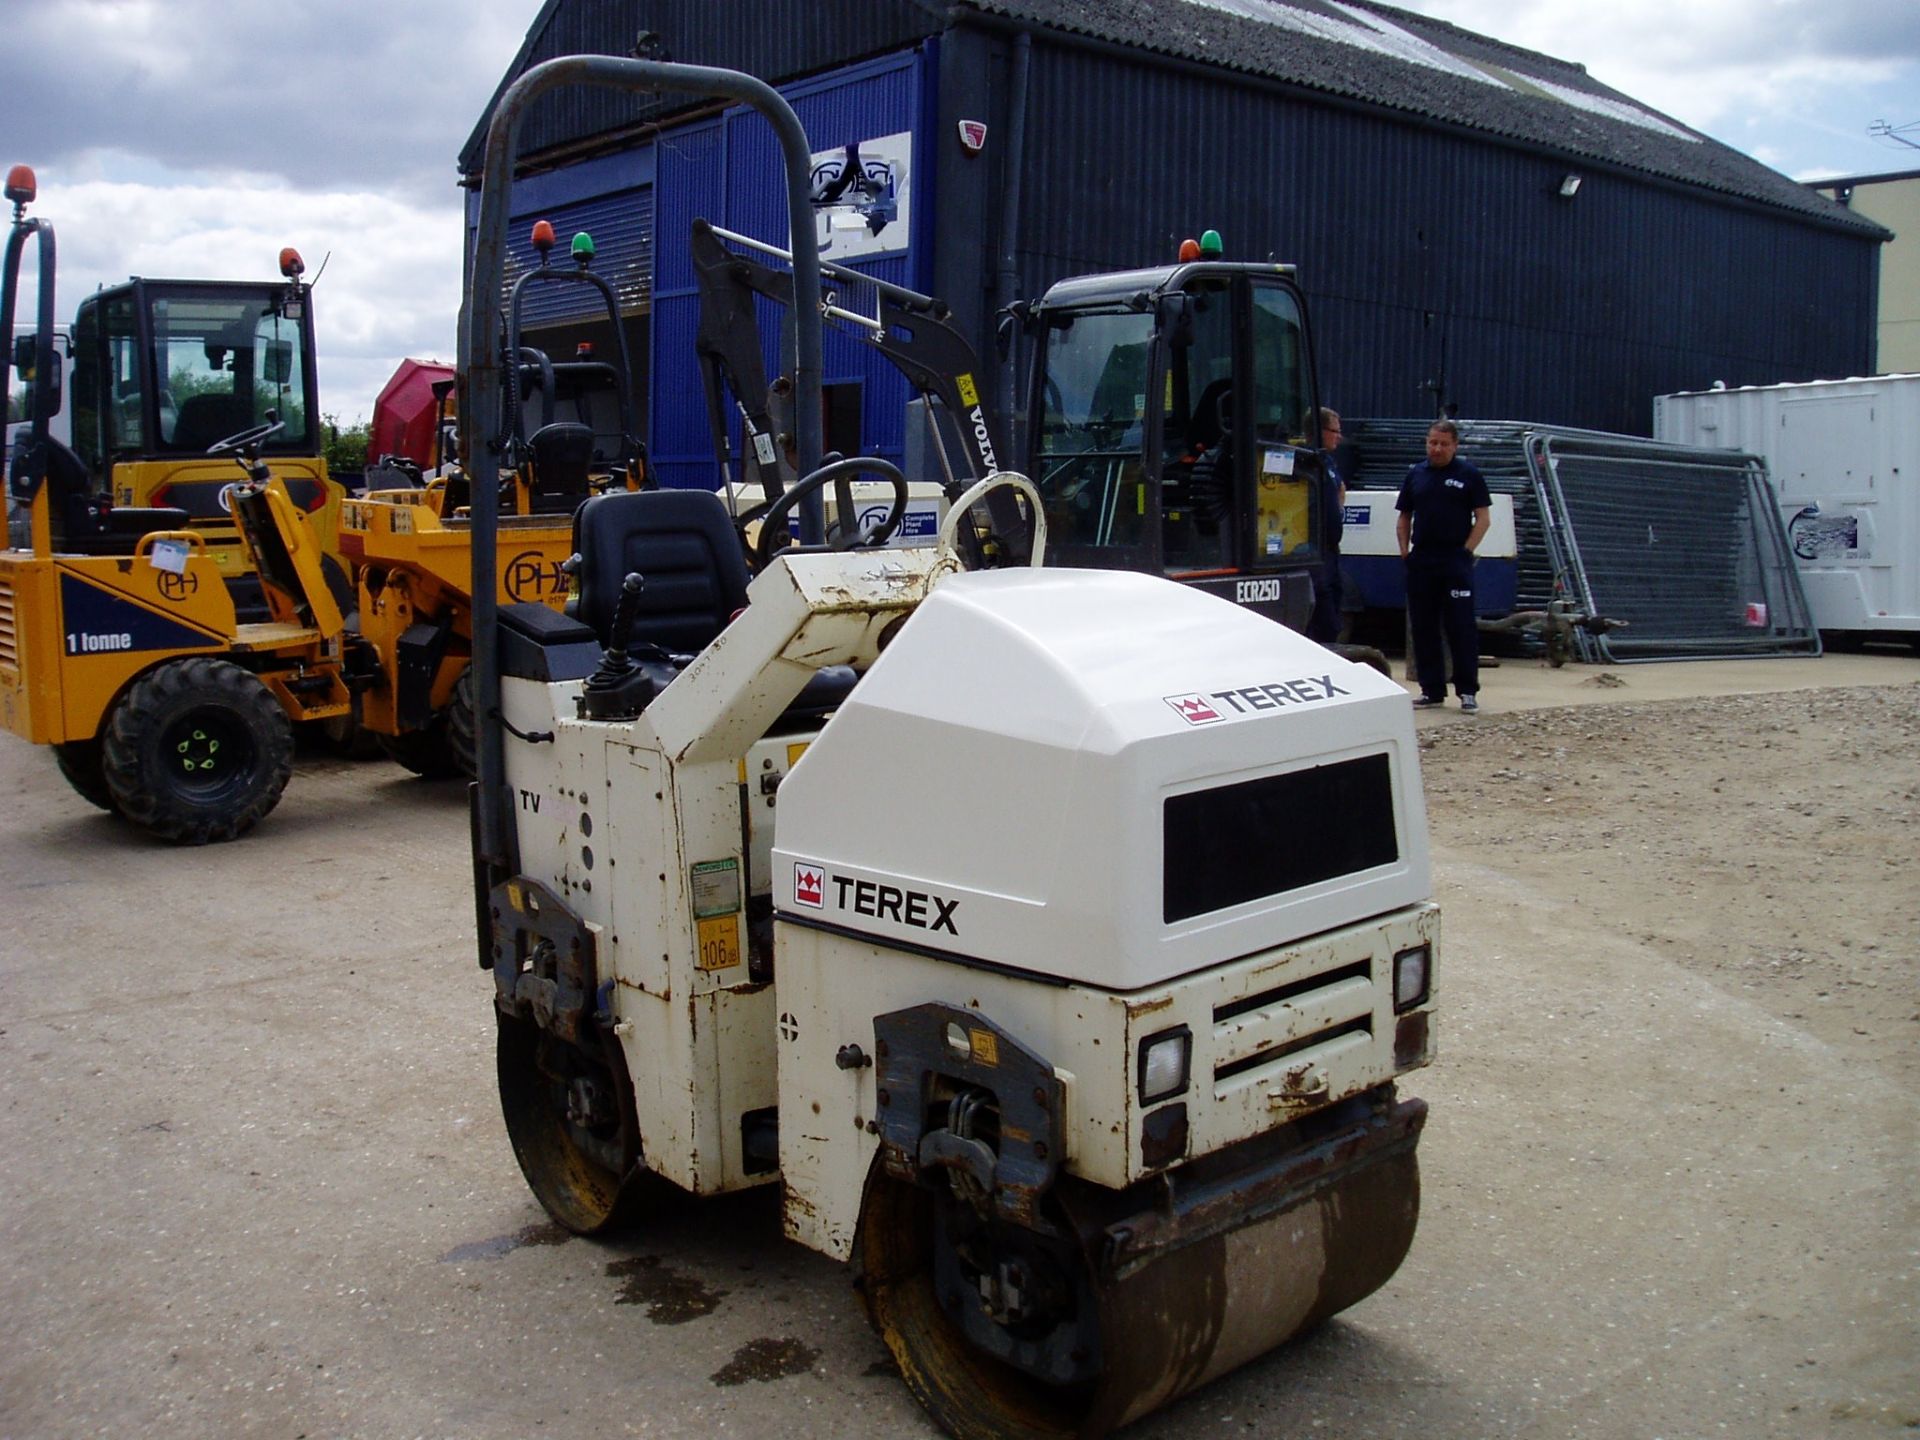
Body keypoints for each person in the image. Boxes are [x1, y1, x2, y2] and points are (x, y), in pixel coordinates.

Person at [1396, 418, 1492, 712]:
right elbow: (1404, 517)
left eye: (1443, 444)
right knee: (1423, 628)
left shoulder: (1469, 475)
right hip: (1422, 560)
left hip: (1454, 561)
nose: (1436, 449)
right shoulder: (1416, 474)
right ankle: (1431, 690)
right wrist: (1405, 551)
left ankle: (1467, 691)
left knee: (1460, 627)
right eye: (1432, 443)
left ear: (1455, 445)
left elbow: (1483, 519)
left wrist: (1465, 552)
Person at [1305, 406, 1346, 643]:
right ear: (1318, 431)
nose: (1339, 436)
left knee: (1334, 615)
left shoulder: (1328, 462)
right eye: (1334, 431)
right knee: (1324, 621)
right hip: (1312, 552)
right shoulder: (1306, 461)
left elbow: (1340, 490)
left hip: (1331, 551)